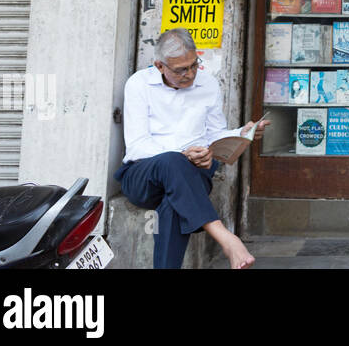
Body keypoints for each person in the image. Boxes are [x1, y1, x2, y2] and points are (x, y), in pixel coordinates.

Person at [115, 29, 268, 269]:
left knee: (174, 203)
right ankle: (225, 238)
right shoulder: (138, 85)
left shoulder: (207, 83)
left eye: (193, 65)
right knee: (173, 162)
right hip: (144, 175)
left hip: (192, 173)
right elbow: (137, 145)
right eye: (181, 70)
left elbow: (215, 134)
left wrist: (241, 133)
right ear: (159, 66)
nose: (190, 74)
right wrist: (183, 153)